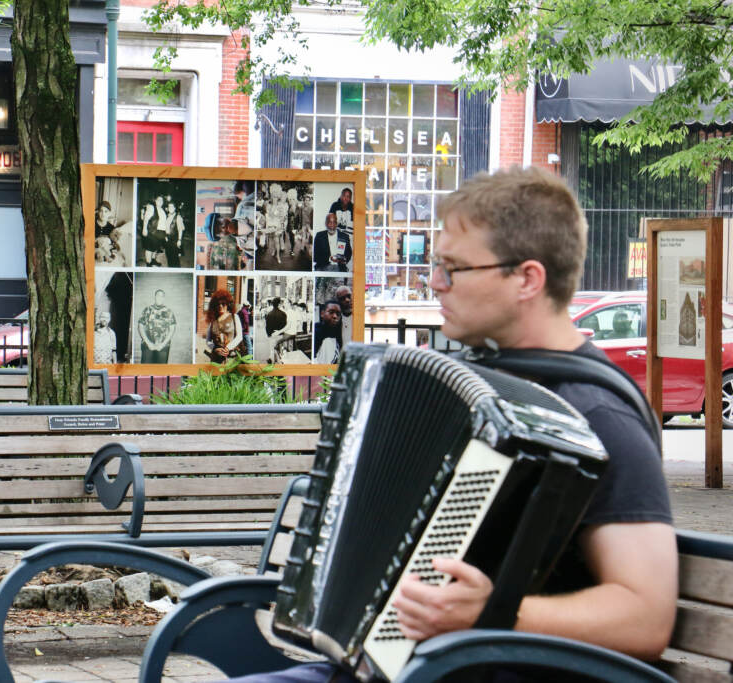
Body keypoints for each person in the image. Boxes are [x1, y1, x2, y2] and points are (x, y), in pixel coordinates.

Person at [221, 167, 675, 683]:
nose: (435, 283)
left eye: (454, 269)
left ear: (527, 278)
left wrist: (497, 614)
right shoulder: (473, 387)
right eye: (437, 266)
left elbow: (646, 616)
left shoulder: (596, 414)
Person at [204, 289, 246, 363]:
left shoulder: (234, 317)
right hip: (216, 360)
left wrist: (228, 348)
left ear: (228, 304)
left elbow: (239, 336)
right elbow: (208, 340)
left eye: (223, 304)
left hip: (232, 359)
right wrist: (215, 348)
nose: (220, 306)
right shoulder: (213, 320)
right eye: (218, 304)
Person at [137, 289, 176, 364]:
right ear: (155, 297)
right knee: (146, 372)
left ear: (164, 298)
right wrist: (148, 343)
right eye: (158, 295)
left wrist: (163, 344)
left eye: (162, 296)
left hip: (163, 347)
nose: (160, 297)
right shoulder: (147, 310)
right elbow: (140, 326)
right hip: (147, 346)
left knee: (160, 373)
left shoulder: (169, 311)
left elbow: (172, 329)